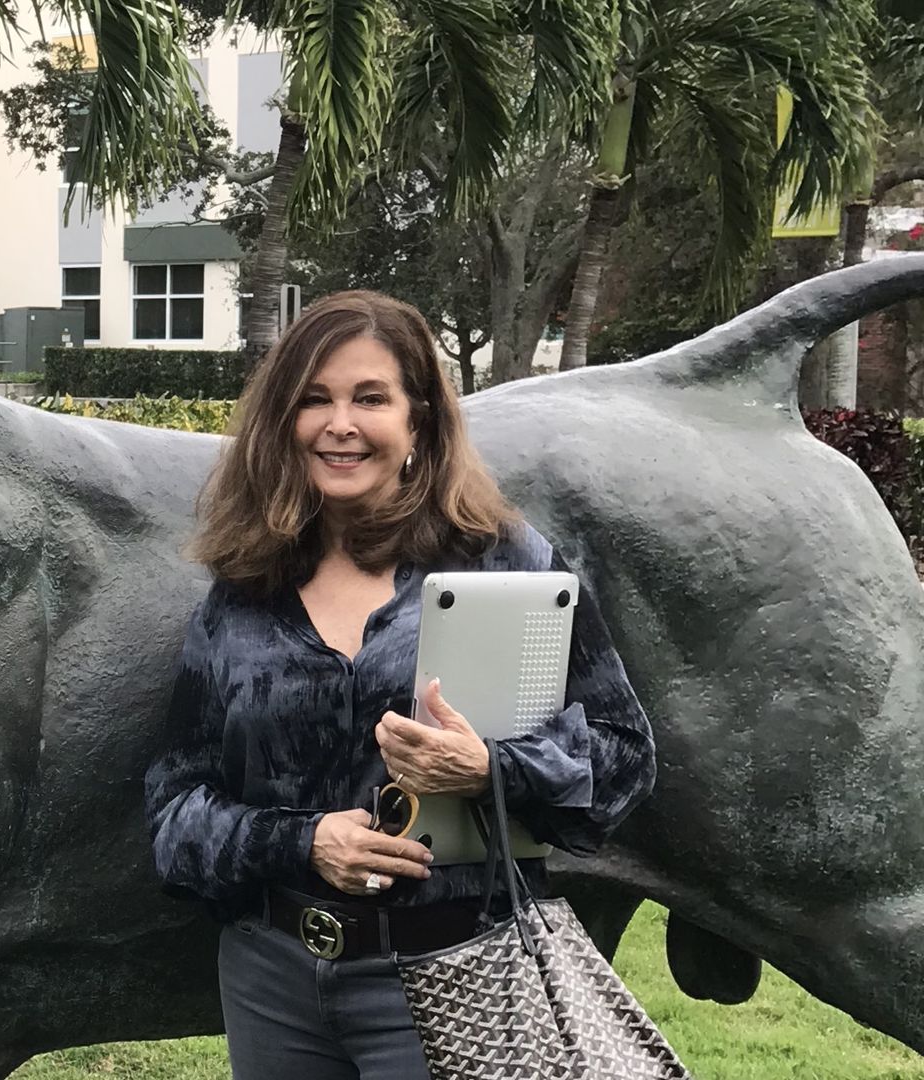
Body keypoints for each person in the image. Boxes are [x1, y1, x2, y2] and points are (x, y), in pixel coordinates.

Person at [144, 290, 658, 1079]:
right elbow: (176, 809)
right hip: (272, 980)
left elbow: (624, 762)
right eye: (313, 399)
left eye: (369, 397)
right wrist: (304, 840)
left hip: (456, 973)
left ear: (419, 418)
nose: (338, 424)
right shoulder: (245, 588)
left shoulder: (507, 564)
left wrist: (491, 769)